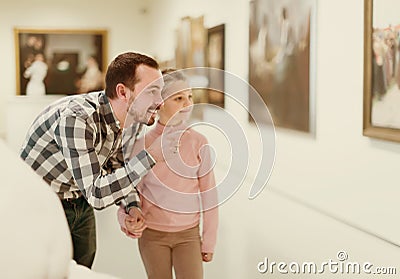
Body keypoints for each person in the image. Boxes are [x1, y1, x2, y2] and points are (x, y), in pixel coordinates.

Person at [19, 52, 179, 268]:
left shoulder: (134, 118)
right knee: (47, 271)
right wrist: (150, 157)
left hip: (79, 200)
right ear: (123, 92)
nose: (160, 101)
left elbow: (117, 165)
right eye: (152, 92)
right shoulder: (77, 118)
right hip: (42, 203)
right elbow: (96, 193)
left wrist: (131, 207)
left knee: (83, 269)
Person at [118, 69, 219, 279]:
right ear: (159, 103)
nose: (187, 103)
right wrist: (125, 218)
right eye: (179, 98)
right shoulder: (140, 145)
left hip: (189, 236)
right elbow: (128, 190)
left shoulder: (199, 143)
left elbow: (210, 196)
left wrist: (208, 239)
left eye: (190, 97)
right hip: (152, 236)